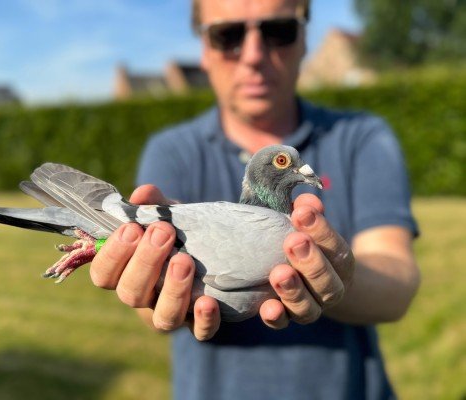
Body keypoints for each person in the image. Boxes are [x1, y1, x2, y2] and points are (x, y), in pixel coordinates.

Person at [90, 0, 421, 398]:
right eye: (227, 35)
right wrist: (146, 276)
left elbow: (397, 283)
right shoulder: (171, 150)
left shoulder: (362, 137)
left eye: (277, 30)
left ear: (304, 39)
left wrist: (333, 272)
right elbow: (151, 308)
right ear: (204, 51)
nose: (253, 55)